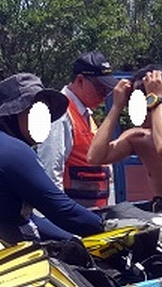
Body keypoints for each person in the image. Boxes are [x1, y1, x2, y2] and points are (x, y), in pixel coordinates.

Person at [0, 73, 104, 245]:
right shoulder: (7, 149)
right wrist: (106, 227)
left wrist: (74, 240)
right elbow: (61, 209)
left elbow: (29, 218)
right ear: (10, 115)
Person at [87, 65, 162, 204]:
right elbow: (94, 157)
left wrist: (156, 99)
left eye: (147, 104)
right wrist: (116, 107)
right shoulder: (136, 137)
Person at [37, 50, 120, 207]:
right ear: (80, 80)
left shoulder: (86, 114)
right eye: (100, 88)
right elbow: (51, 172)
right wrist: (62, 215)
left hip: (92, 214)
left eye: (107, 90)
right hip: (73, 216)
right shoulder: (60, 114)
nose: (104, 94)